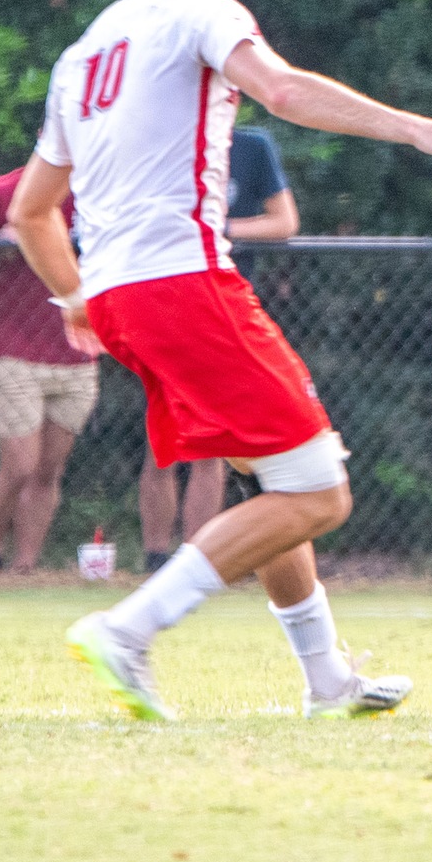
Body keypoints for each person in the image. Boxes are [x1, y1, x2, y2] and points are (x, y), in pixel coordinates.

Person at [19, 0, 432, 720]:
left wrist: (75, 295)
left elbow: (31, 211)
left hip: (122, 295)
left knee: (272, 477)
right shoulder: (201, 14)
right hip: (183, 281)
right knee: (320, 492)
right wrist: (419, 129)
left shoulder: (82, 53)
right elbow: (283, 91)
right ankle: (129, 627)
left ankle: (326, 679)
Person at [135, 120, 300, 572]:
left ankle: (195, 562)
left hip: (225, 312)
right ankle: (154, 559)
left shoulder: (251, 147)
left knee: (214, 448)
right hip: (167, 305)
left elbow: (284, 221)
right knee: (163, 442)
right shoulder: (165, 139)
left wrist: (221, 228)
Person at [0, 164, 99, 573]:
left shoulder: (102, 188)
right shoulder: (5, 189)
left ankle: (24, 568)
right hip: (17, 347)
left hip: (79, 349)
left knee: (48, 471)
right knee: (18, 468)